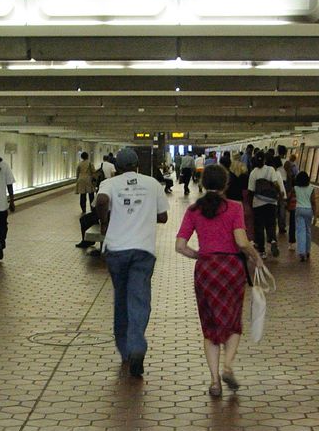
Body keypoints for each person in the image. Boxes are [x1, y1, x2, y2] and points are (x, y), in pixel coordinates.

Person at [175, 165, 263, 397]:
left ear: (202, 184)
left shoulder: (194, 210)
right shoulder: (234, 208)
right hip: (231, 269)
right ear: (226, 184)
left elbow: (180, 246)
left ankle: (215, 382)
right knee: (233, 321)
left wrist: (200, 255)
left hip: (206, 270)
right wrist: (256, 258)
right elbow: (242, 242)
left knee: (210, 326)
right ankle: (228, 366)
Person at [95, 148, 169, 378]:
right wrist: (145, 213)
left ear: (117, 167)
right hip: (143, 249)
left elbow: (101, 200)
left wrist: (105, 220)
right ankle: (137, 346)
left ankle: (125, 350)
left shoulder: (110, 183)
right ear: (137, 165)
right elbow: (163, 216)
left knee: (121, 298)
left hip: (116, 249)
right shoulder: (153, 183)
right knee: (139, 298)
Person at [248, 151, 284, 258]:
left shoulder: (253, 173)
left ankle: (262, 251)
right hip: (271, 203)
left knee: (259, 227)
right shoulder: (270, 169)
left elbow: (251, 190)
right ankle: (272, 240)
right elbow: (276, 184)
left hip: (258, 204)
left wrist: (251, 203)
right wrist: (279, 193)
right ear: (264, 160)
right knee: (271, 224)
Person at [293, 171, 317, 262]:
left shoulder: (295, 188)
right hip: (308, 210)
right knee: (308, 231)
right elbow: (313, 203)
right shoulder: (311, 188)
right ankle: (307, 251)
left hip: (299, 209)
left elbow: (290, 197)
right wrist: (315, 216)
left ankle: (301, 252)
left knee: (300, 231)